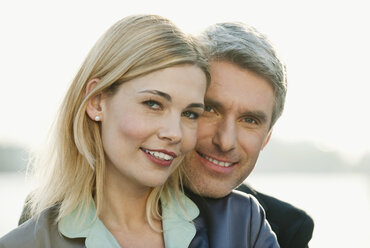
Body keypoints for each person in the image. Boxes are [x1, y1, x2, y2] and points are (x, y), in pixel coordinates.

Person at [3, 15, 280, 248]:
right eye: (153, 104)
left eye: (190, 113)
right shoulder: (27, 242)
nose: (175, 133)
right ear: (97, 101)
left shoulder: (242, 223)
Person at [183, 22, 314, 248]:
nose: (225, 141)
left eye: (250, 121)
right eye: (210, 109)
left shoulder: (288, 229)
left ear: (267, 137)